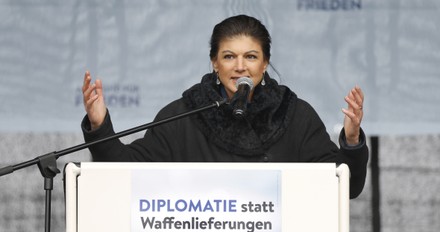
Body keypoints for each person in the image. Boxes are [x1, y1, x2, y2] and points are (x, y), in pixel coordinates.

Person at [81, 14, 368, 198]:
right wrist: (99, 124)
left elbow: (346, 187)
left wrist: (352, 141)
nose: (240, 67)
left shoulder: (293, 114)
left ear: (265, 63)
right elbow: (123, 172)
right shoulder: (184, 114)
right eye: (229, 57)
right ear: (214, 63)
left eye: (251, 57)